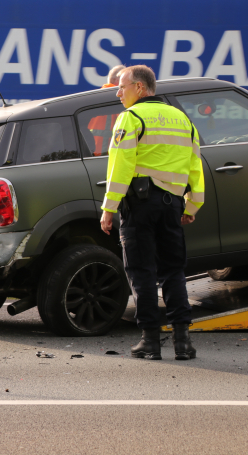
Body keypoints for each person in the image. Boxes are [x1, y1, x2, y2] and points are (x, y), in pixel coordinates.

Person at [99, 65, 205, 361]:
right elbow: (195, 165)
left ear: (140, 88)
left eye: (122, 87)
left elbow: (120, 166)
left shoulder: (131, 118)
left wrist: (108, 208)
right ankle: (183, 343)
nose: (118, 94)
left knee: (141, 271)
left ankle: (150, 341)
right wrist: (192, 205)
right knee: (173, 271)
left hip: (139, 207)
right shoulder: (183, 119)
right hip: (173, 206)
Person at [86, 64, 126, 155]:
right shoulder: (118, 100)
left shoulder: (93, 98)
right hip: (106, 155)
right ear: (118, 80)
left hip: (91, 154)